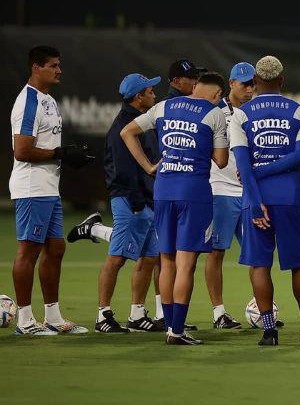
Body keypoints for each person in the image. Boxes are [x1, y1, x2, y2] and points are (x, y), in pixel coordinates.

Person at [121, 71, 229, 345]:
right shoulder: (214, 113)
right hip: (193, 192)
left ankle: (170, 326)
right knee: (186, 264)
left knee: (166, 261)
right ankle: (177, 331)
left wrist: (148, 166)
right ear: (217, 95)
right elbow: (221, 160)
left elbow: (127, 132)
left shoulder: (164, 107)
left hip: (164, 189)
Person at [230, 56, 300, 347]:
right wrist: (269, 169)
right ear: (282, 81)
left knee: (260, 265)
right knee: (299, 265)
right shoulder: (299, 112)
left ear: (256, 82)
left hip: (254, 201)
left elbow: (244, 165)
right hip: (288, 200)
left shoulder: (241, 115)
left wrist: (256, 196)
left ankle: (269, 330)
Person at [10, 45, 93, 336]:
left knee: (56, 248)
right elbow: (21, 150)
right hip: (32, 187)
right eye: (53, 65)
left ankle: (53, 317)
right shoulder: (28, 101)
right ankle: (24, 321)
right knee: (28, 250)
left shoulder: (48, 100)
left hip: (48, 186)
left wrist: (66, 155)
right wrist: (60, 153)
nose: (59, 70)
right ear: (36, 67)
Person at [75, 73, 164, 334]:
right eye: (150, 91)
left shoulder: (139, 122)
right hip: (130, 201)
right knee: (117, 258)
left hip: (145, 201)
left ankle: (137, 314)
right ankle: (103, 314)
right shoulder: (121, 128)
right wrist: (137, 203)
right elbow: (122, 172)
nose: (154, 95)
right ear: (138, 97)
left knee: (149, 257)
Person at [206, 62, 256, 330]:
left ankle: (262, 309)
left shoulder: (254, 113)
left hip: (248, 193)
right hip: (220, 190)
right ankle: (219, 312)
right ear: (232, 84)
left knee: (258, 253)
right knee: (216, 251)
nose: (249, 89)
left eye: (252, 84)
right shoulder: (216, 112)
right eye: (244, 83)